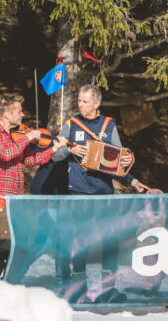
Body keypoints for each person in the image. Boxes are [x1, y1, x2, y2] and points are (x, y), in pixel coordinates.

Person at [52, 84, 149, 303]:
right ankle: (78, 289)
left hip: (103, 193)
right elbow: (53, 156)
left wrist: (131, 175)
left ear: (97, 103)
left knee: (109, 241)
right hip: (78, 193)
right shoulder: (71, 124)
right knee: (81, 242)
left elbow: (119, 162)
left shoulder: (108, 125)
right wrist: (69, 149)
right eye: (79, 100)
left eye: (85, 101)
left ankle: (109, 289)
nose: (80, 104)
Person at [0, 93, 68, 284]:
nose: (22, 115)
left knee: (18, 246)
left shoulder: (15, 135)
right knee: (3, 246)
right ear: (7, 114)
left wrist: (53, 150)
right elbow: (5, 154)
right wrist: (28, 137)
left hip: (16, 201)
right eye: (19, 111)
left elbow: (29, 160)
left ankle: (8, 285)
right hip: (0, 201)